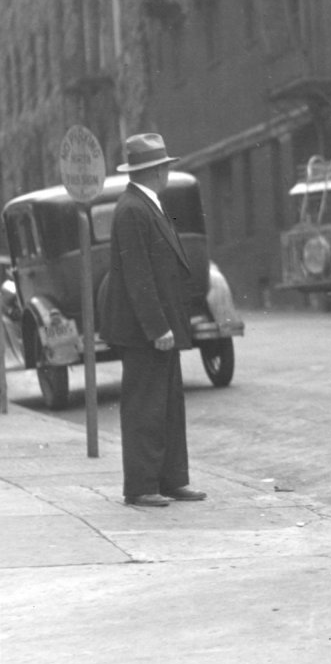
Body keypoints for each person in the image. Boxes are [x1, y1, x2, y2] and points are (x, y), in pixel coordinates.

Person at [100, 133, 206, 508]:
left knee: (168, 404)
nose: (167, 172)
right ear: (158, 170)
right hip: (147, 330)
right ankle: (141, 486)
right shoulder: (133, 209)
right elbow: (137, 275)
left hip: (160, 325)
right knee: (146, 405)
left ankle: (172, 479)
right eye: (165, 167)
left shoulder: (145, 205)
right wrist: (157, 327)